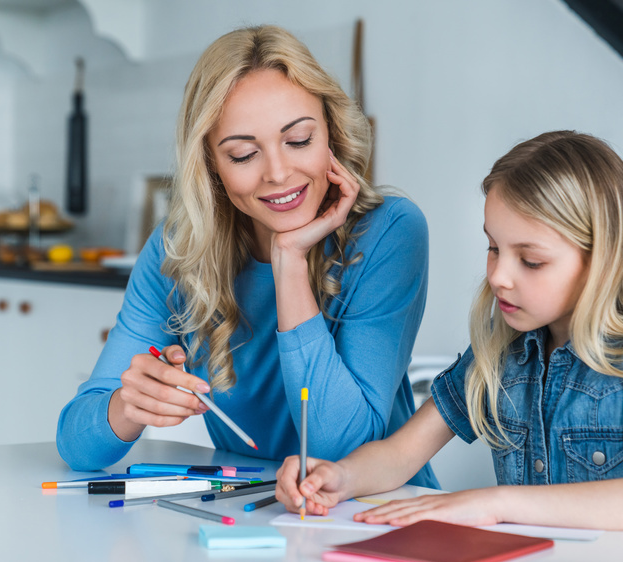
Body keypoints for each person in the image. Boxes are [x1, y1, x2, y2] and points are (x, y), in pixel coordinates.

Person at [275, 131, 623, 532]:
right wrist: (339, 477)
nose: (499, 276)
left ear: (601, 259)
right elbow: (400, 454)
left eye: (530, 260)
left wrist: (496, 505)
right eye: (494, 248)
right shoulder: (502, 352)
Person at [56, 25, 437, 488]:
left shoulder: (390, 232)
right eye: (242, 154)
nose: (278, 173)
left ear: (331, 136)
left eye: (298, 141)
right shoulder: (178, 249)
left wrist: (290, 262)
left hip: (375, 516)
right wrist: (127, 407)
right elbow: (76, 446)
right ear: (212, 167)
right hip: (247, 511)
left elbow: (339, 450)